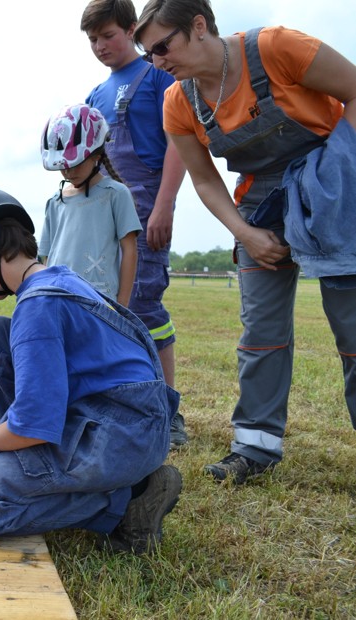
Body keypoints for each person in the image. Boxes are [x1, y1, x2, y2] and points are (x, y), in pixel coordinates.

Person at [135, 0, 356, 483]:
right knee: (261, 334)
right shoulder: (178, 101)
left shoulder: (277, 48)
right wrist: (246, 234)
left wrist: (337, 171)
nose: (156, 62)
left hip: (332, 190)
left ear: (198, 27)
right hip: (261, 203)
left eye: (162, 46)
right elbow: (206, 180)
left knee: (352, 329)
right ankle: (255, 447)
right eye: (148, 53)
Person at [0, 187, 181, 553]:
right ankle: (32, 460)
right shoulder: (60, 279)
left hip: (122, 437)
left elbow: (33, 423)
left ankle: (128, 501)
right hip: (130, 420)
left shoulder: (37, 307)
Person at [81, 0, 188, 449]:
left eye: (108, 35)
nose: (100, 46)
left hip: (149, 205)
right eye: (92, 40)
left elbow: (180, 145)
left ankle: (168, 410)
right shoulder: (94, 97)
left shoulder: (162, 78)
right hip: (107, 210)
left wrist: (163, 206)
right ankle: (122, 404)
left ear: (132, 29)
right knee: (108, 307)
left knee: (144, 304)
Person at [39, 103, 142, 307]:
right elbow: (45, 256)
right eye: (62, 166)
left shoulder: (116, 194)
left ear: (97, 154)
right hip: (57, 299)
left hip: (98, 301)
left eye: (75, 163)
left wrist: (122, 302)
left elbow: (129, 250)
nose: (68, 172)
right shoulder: (54, 201)